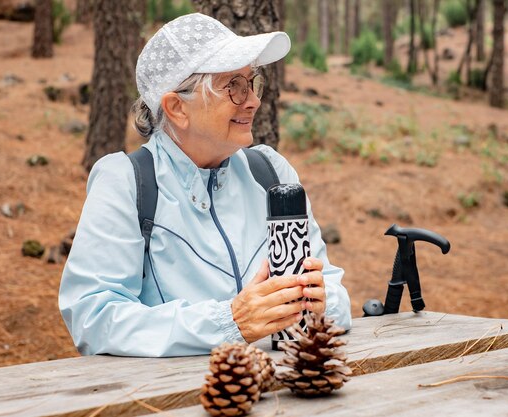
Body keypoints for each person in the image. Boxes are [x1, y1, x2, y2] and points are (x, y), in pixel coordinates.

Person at [59, 13, 351, 357]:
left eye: (251, 82)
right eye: (234, 87)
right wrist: (229, 322)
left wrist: (321, 302)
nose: (253, 101)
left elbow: (336, 294)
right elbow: (93, 318)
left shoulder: (272, 174)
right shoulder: (125, 183)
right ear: (177, 108)